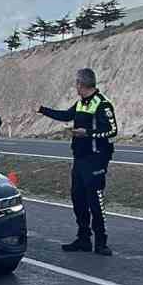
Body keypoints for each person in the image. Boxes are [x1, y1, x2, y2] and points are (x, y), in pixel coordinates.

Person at [37, 68, 118, 256]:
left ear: (81, 84)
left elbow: (112, 131)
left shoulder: (103, 104)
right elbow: (66, 115)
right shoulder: (81, 103)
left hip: (96, 160)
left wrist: (87, 133)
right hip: (79, 158)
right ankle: (83, 238)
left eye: (76, 83)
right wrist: (42, 110)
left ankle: (101, 241)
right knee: (78, 199)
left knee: (95, 201)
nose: (75, 87)